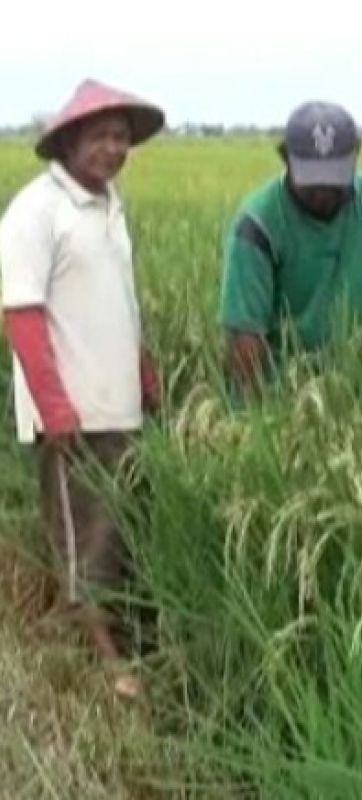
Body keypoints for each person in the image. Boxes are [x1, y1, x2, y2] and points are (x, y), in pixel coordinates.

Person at [0, 79, 166, 698]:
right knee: (86, 536)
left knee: (122, 530)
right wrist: (55, 406)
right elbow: (21, 314)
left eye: (121, 137)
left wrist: (145, 375)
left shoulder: (109, 207)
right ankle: (106, 666)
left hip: (118, 407)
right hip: (72, 416)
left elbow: (117, 305)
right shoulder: (36, 211)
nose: (113, 148)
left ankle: (118, 642)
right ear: (69, 140)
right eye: (100, 135)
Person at [218, 101, 362, 397]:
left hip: (358, 380)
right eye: (312, 181)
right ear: (285, 158)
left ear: (356, 155)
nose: (324, 192)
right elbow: (246, 337)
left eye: (335, 178)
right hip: (280, 387)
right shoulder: (257, 225)